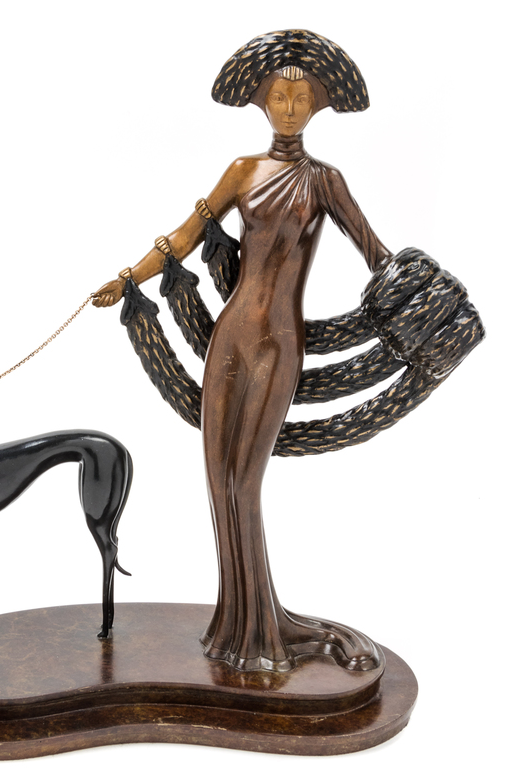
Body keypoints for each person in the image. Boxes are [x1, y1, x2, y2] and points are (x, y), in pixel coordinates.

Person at [94, 30, 388, 672]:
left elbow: (376, 254)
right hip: (230, 333)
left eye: (302, 98)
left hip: (279, 342)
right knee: (216, 479)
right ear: (261, 100)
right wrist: (128, 279)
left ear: (318, 104)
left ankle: (264, 631)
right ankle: (237, 629)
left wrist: (419, 294)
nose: (290, 108)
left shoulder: (325, 181)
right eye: (280, 96)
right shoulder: (242, 171)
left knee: (244, 481)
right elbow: (183, 236)